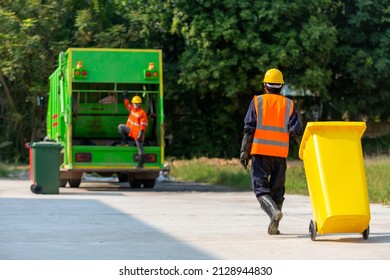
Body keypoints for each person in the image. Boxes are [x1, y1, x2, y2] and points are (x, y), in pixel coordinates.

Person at [239, 68, 303, 235]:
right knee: (278, 190)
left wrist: (244, 151)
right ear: (281, 86)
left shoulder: (257, 101)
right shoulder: (289, 104)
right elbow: (297, 130)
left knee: (261, 189)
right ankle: (275, 224)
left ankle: (274, 214)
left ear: (265, 86)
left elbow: (249, 128)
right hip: (280, 155)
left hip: (260, 153)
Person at [118, 92, 148, 168]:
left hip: (138, 134)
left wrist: (141, 134)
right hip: (131, 130)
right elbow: (127, 105)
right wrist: (125, 97)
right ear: (133, 103)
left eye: (137, 103)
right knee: (120, 127)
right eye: (134, 103)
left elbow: (143, 125)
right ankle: (124, 142)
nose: (136, 104)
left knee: (140, 148)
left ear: (140, 104)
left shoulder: (142, 113)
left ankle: (140, 164)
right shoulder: (132, 110)